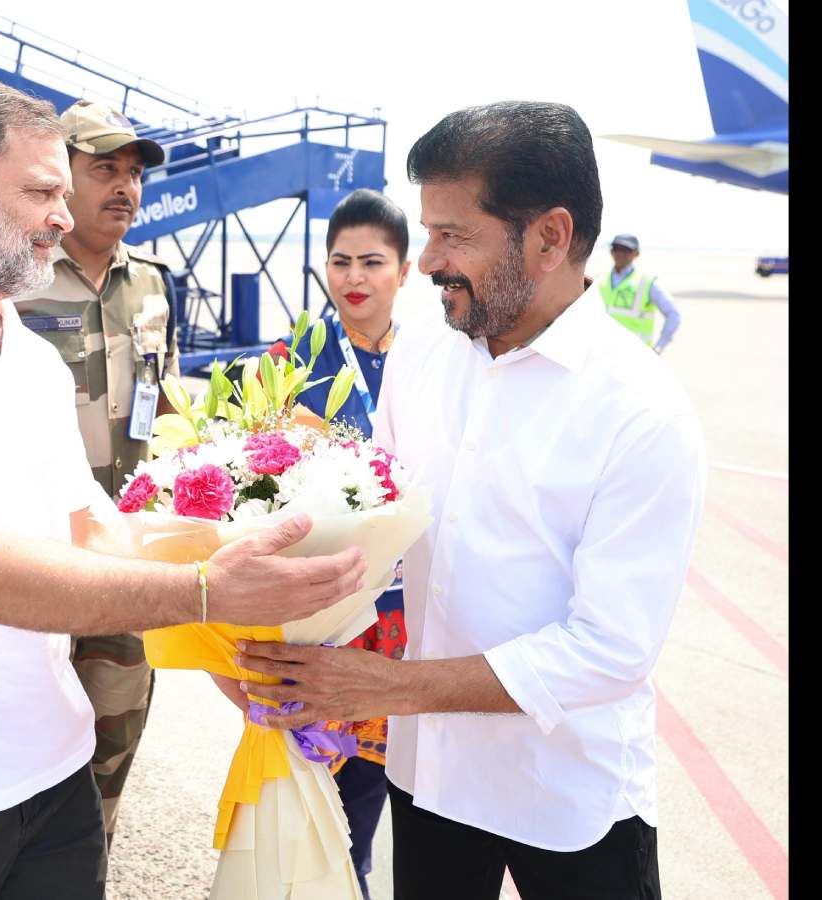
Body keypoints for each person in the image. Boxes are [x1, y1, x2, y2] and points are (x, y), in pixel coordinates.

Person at [0, 78, 367, 900]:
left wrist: (252, 625)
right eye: (43, 190)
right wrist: (199, 593)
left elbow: (92, 530)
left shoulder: (30, 359)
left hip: (52, 780)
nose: (62, 213)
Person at [237, 101, 707, 900]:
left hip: (568, 796)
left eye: (453, 236)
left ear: (550, 238)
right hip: (431, 776)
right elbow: (375, 520)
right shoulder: (424, 353)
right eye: (426, 233)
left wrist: (391, 690)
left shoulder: (642, 412)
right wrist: (270, 624)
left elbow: (609, 650)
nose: (425, 262)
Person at [9, 98, 172, 850]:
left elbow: (162, 409)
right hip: (33, 554)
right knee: (19, 740)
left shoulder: (153, 285)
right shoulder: (17, 279)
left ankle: (89, 867)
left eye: (133, 173)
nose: (124, 187)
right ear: (60, 175)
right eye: (103, 168)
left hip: (122, 553)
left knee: (115, 731)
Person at [253, 187, 411, 900]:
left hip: (401, 624)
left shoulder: (434, 360)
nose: (354, 277)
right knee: (301, 802)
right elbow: (249, 476)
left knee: (370, 805)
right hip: (317, 615)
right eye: (340, 261)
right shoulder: (294, 358)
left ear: (404, 271)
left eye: (372, 262)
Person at [600, 233, 681, 353]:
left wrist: (659, 347)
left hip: (635, 355)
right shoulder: (599, 281)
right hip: (602, 353)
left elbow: (673, 314)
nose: (620, 253)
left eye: (626, 250)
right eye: (617, 248)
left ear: (636, 253)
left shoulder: (647, 283)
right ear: (611, 251)